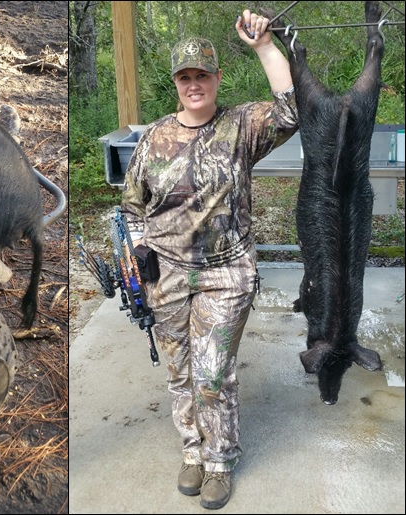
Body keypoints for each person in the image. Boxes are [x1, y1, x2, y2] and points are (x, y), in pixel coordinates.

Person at [120, 9, 297, 511]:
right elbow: (132, 205)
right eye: (185, 77)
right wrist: (138, 249)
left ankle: (220, 461)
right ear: (176, 83)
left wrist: (264, 46)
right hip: (166, 275)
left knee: (212, 371)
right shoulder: (153, 137)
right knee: (179, 371)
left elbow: (292, 110)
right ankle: (193, 452)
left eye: (202, 75)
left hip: (226, 272)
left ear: (217, 78)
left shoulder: (241, 126)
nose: (194, 84)